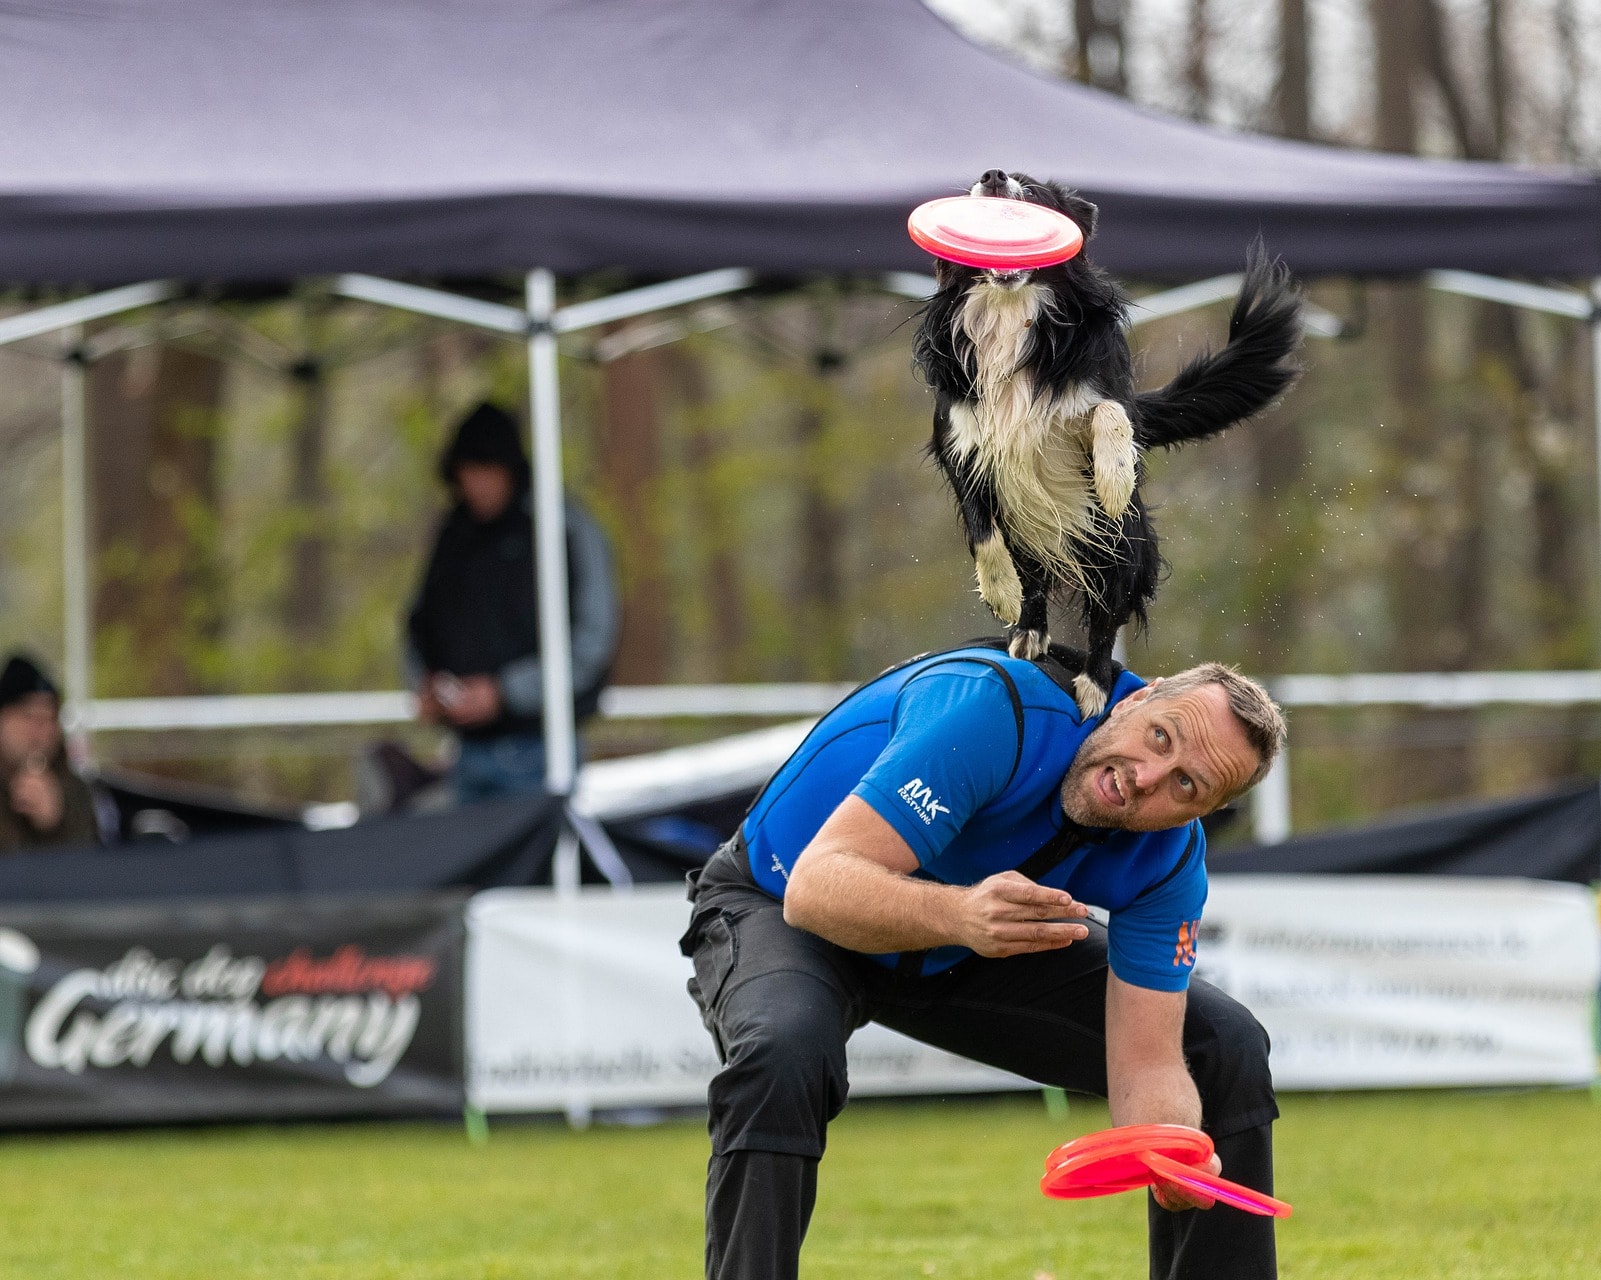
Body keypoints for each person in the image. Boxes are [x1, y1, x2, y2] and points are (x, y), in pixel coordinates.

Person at [680, 640, 1286, 1280]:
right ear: (1137, 697)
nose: (1146, 776)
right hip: (782, 899)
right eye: (1161, 738)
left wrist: (1171, 1150)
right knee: (784, 1048)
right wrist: (960, 916)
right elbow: (815, 888)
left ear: (1207, 813)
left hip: (962, 939)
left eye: (1186, 784)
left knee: (1222, 1045)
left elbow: (1147, 1060)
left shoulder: (1171, 861)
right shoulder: (997, 712)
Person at [404, 402, 619, 804]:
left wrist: (506, 693)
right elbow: (420, 622)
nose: (477, 486)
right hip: (464, 752)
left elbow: (592, 640)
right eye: (468, 473)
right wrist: (425, 683)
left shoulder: (565, 526)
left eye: (487, 471)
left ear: (510, 469)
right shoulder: (453, 534)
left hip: (541, 751)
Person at [0, 654, 99, 853]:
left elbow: (88, 868)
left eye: (50, 719)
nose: (41, 731)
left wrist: (55, 823)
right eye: (28, 717)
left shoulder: (74, 789)